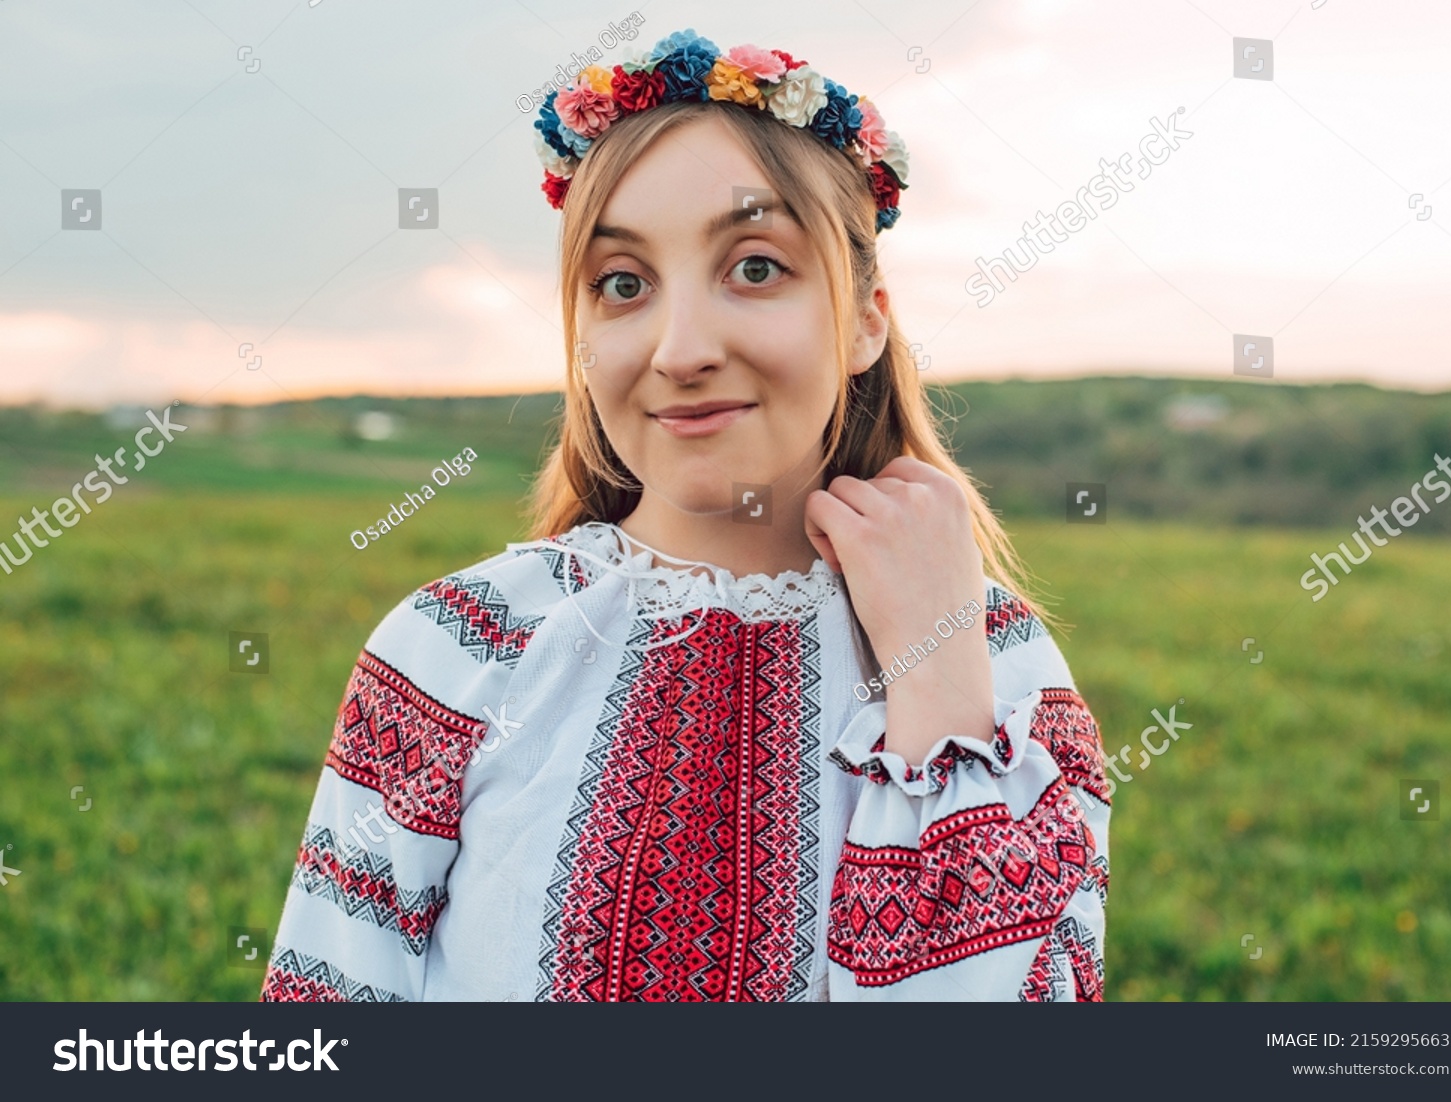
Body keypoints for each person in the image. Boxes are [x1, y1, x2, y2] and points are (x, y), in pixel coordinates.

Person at [261, 28, 1109, 1003]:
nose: (680, 348)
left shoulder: (1003, 669)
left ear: (866, 317)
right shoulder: (456, 651)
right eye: (623, 284)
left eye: (755, 267)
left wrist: (939, 684)